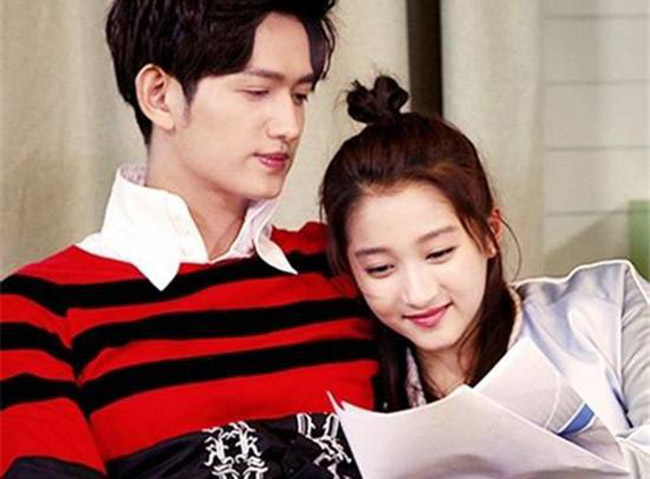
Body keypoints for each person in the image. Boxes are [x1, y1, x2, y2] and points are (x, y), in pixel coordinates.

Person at [0, 2, 379, 478]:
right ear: (159, 95)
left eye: (300, 95)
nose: (290, 125)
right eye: (257, 91)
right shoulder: (38, 310)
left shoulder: (348, 264)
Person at [320, 75, 650, 476]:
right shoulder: (357, 385)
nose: (418, 294)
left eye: (439, 253)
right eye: (380, 269)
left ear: (490, 234)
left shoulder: (611, 309)